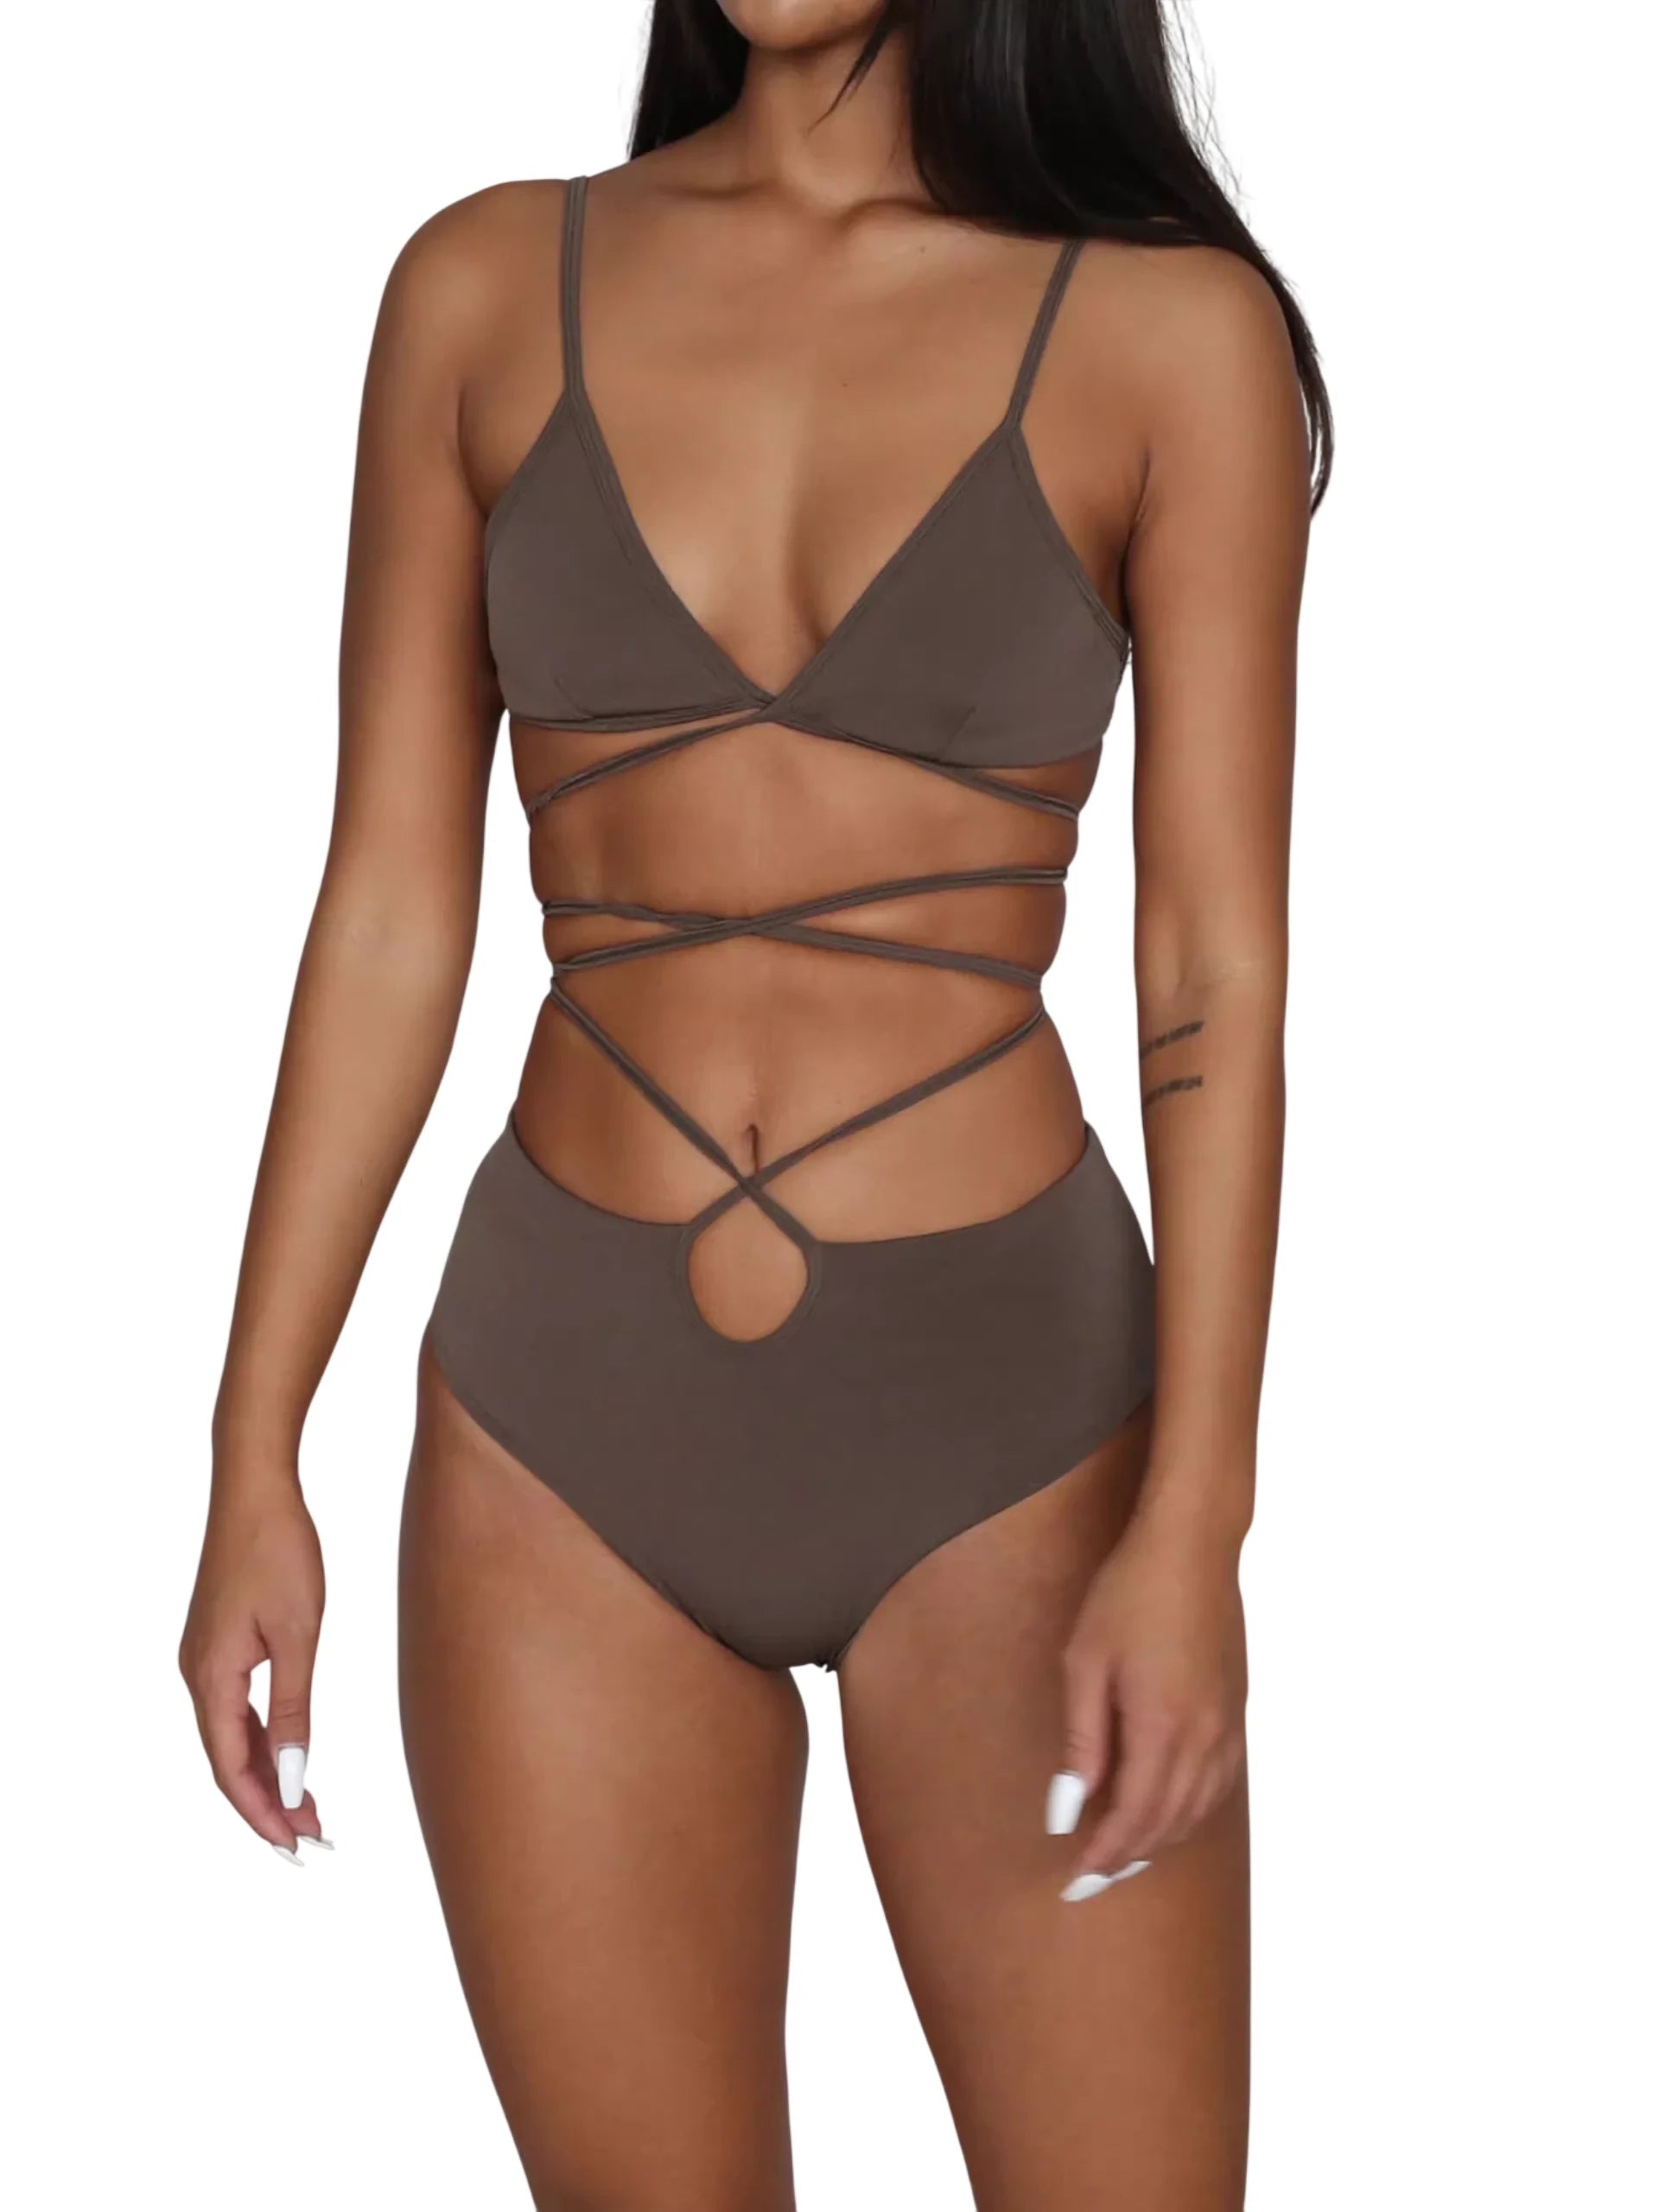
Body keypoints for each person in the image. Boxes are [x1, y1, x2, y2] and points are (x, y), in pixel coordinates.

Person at [181, 2, 1324, 2202]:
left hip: (1013, 1426)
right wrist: (254, 1445)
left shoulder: (1171, 336)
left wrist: (1200, 1521)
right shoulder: (480, 289)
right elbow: (391, 912)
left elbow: (1213, 963)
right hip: (555, 1429)